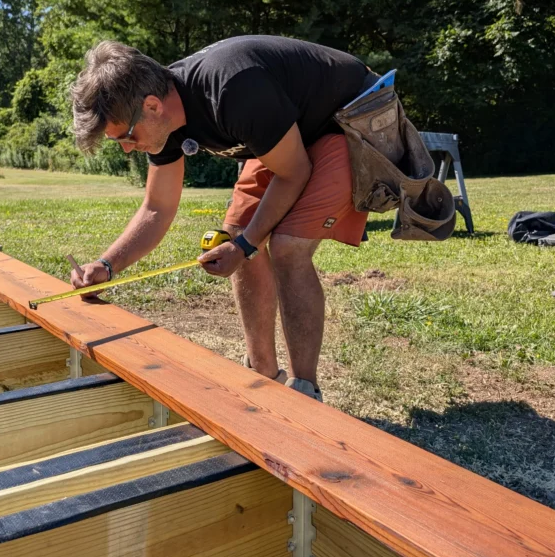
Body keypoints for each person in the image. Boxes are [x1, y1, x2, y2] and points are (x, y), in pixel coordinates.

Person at [69, 35, 377, 402]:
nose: (125, 147)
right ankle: (263, 377)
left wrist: (246, 244)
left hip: (348, 116)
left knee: (286, 247)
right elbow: (157, 208)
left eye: (126, 136)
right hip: (288, 130)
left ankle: (305, 392)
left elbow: (294, 171)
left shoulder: (233, 90)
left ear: (151, 106)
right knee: (236, 235)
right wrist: (107, 264)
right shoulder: (163, 119)